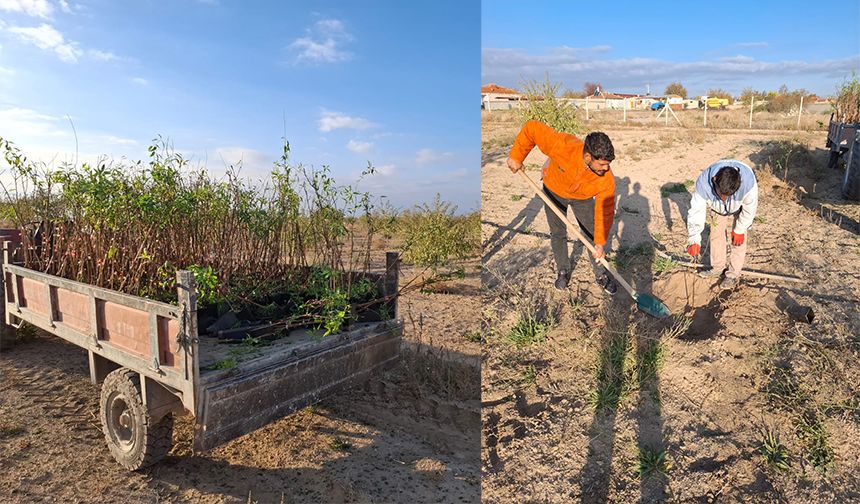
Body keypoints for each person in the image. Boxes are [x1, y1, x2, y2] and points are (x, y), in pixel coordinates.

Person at [506, 120, 618, 294]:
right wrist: (516, 156)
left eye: (608, 164)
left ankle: (601, 273)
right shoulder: (562, 145)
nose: (606, 168)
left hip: (583, 198)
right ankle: (563, 270)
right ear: (588, 157)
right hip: (554, 191)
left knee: (591, 235)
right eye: (602, 164)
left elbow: (605, 211)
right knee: (557, 232)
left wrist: (600, 242)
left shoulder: (606, 179)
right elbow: (532, 128)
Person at [686, 159, 759, 290]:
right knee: (716, 235)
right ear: (714, 180)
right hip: (716, 207)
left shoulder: (748, 183)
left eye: (728, 195)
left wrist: (740, 229)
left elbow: (750, 209)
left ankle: (733, 274)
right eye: (722, 194)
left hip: (739, 206)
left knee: (738, 240)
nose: (725, 198)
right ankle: (718, 267)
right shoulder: (704, 183)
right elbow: (696, 211)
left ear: (739, 184)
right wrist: (694, 238)